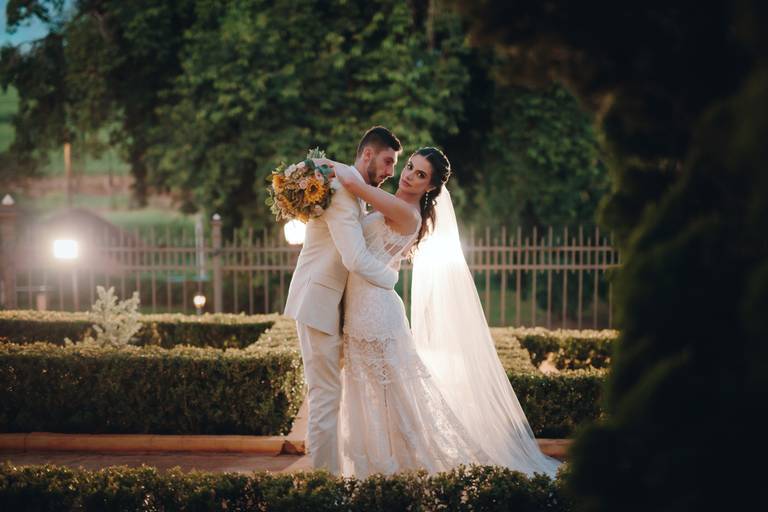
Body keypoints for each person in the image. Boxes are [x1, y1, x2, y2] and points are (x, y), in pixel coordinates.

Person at [321, 147, 561, 478]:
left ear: (431, 186)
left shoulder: (407, 213)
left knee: (395, 400)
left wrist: (314, 167)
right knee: (370, 396)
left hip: (377, 314)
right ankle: (377, 472)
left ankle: (400, 471)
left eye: (420, 174)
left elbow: (352, 183)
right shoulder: (391, 202)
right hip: (361, 309)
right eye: (409, 167)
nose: (408, 175)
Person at [283, 126, 402, 475]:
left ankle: (331, 479)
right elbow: (354, 258)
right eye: (388, 161)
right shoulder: (342, 194)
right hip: (317, 303)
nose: (390, 172)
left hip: (331, 305)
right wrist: (392, 280)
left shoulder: (353, 190)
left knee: (329, 396)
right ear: (368, 154)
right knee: (325, 397)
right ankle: (324, 486)